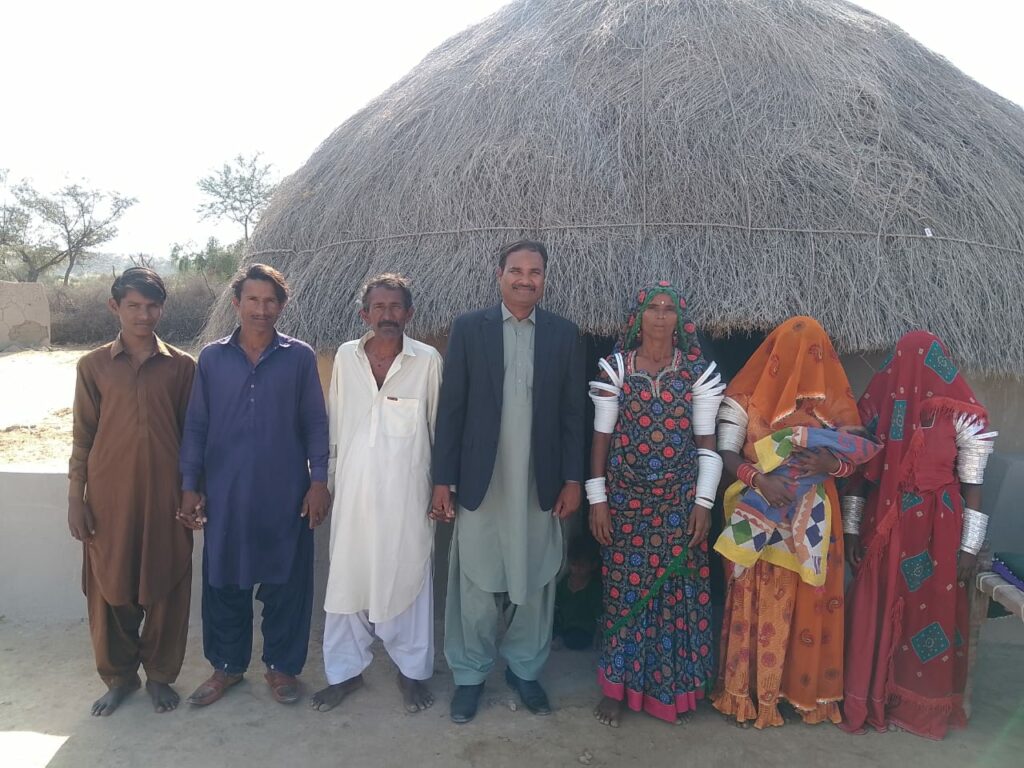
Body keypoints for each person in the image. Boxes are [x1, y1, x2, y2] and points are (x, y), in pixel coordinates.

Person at [431, 239, 585, 723]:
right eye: (516, 270)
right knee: (475, 580)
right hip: (483, 479)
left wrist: (573, 479)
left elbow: (573, 414)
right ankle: (470, 675)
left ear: (544, 279)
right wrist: (442, 479)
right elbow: (451, 408)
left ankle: (525, 669)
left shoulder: (564, 334)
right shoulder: (469, 329)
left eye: (534, 272)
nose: (525, 279)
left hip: (539, 480)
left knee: (536, 576)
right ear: (499, 275)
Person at [177, 264, 330, 707]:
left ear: (281, 306)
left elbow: (315, 423)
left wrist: (318, 481)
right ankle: (226, 667)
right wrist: (190, 484)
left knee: (287, 584)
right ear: (236, 303)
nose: (261, 310)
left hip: (285, 493)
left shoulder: (299, 357)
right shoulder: (211, 358)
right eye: (252, 300)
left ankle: (282, 667)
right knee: (224, 582)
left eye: (270, 301)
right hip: (225, 493)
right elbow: (196, 425)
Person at [711, 316, 867, 728]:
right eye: (792, 350)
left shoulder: (837, 404)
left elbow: (855, 460)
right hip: (759, 513)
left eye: (813, 352)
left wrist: (831, 464)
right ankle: (751, 693)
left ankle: (799, 692)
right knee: (758, 599)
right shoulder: (744, 396)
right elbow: (725, 454)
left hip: (816, 523)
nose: (803, 361)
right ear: (774, 352)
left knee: (809, 604)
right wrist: (760, 480)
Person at [841, 331, 996, 739]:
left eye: (920, 358)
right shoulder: (877, 407)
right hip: (884, 528)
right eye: (904, 357)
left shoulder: (962, 414)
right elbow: (857, 476)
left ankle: (913, 705)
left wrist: (969, 547)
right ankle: (871, 697)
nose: (911, 370)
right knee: (878, 609)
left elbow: (973, 487)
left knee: (926, 613)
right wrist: (851, 531)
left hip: (935, 533)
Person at [586, 282, 725, 727]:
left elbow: (707, 443)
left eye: (669, 309)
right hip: (625, 502)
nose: (661, 316)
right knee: (623, 593)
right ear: (638, 317)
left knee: (676, 594)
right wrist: (597, 499)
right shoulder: (616, 369)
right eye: (653, 308)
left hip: (680, 503)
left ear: (680, 320)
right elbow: (601, 440)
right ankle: (617, 689)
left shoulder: (698, 373)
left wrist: (704, 502)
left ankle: (672, 691)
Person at [310, 273, 443, 715]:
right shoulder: (346, 358)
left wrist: (442, 487)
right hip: (352, 496)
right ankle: (344, 673)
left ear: (409, 313)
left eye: (396, 307)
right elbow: (334, 425)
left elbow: (437, 428)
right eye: (378, 307)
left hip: (407, 496)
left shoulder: (426, 361)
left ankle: (412, 672)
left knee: (408, 575)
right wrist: (325, 482)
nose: (387, 315)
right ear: (364, 314)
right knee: (346, 581)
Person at [68, 268, 196, 716]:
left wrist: (192, 492)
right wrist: (76, 499)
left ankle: (160, 676)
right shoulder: (93, 366)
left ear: (162, 308)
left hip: (166, 499)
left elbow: (194, 438)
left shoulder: (182, 366)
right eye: (134, 306)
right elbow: (83, 436)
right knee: (109, 588)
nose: (144, 315)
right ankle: (119, 678)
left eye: (152, 305)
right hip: (109, 500)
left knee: (167, 583)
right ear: (115, 307)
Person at [553, 536, 602, 652]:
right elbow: (556, 605)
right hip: (564, 623)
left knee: (575, 640)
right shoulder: (564, 582)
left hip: (583, 628)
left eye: (582, 566)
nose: (577, 569)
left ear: (593, 565)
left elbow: (599, 615)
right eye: (574, 565)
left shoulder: (594, 587)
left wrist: (598, 634)